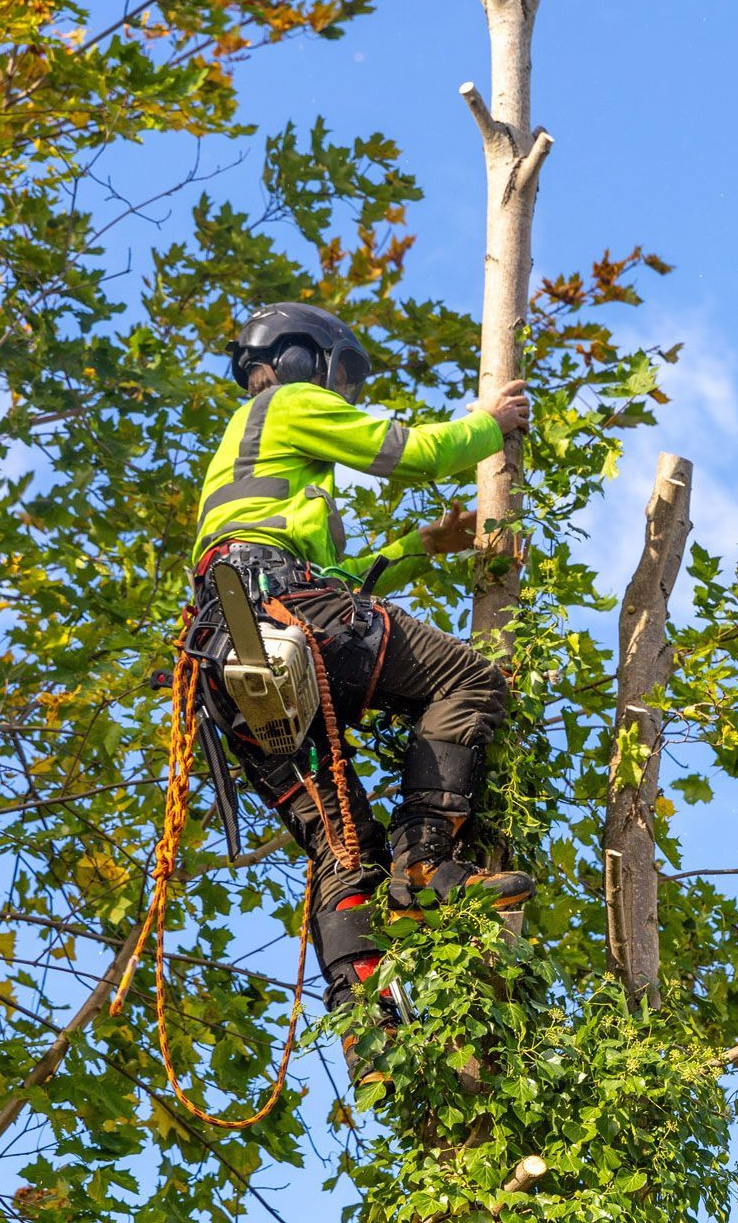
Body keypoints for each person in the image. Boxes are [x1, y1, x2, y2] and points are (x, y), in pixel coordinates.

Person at [187, 301, 532, 1076]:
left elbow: (334, 579)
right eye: (334, 374)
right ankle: (426, 866)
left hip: (232, 654)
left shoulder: (241, 475)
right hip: (289, 616)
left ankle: (363, 1026)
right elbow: (406, 451)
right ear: (300, 359)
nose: (336, 391)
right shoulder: (282, 401)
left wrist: (419, 546)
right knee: (465, 676)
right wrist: (488, 423)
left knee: (339, 842)